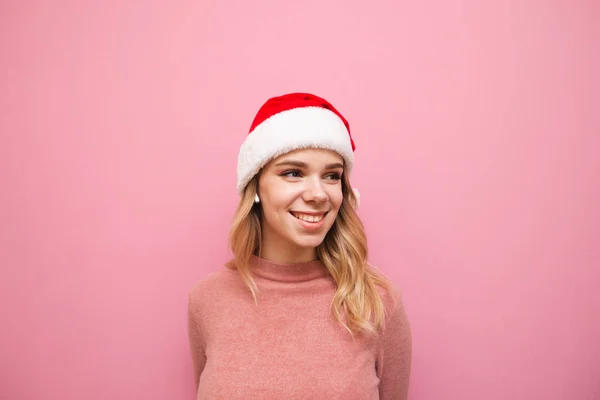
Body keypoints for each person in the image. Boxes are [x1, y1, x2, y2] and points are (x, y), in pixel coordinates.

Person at [187, 92, 412, 399]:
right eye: (293, 173)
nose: (318, 194)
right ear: (255, 186)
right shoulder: (207, 299)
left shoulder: (379, 301)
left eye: (332, 176)